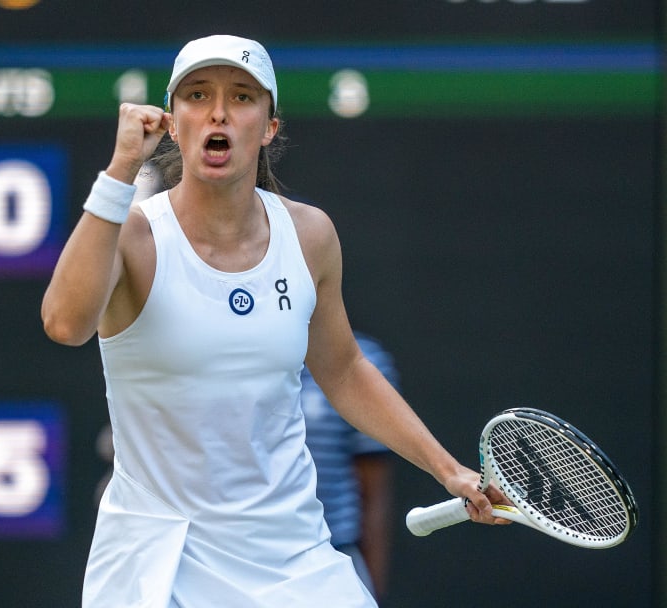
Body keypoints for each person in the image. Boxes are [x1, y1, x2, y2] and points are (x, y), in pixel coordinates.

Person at [41, 34, 508, 607]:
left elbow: (343, 369)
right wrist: (119, 170)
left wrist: (450, 470)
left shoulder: (310, 236)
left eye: (241, 97)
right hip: (158, 566)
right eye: (196, 95)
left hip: (293, 558)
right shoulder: (134, 235)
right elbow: (64, 322)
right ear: (172, 121)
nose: (218, 111)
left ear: (268, 127)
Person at [302, 333, 397, 602]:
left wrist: (371, 593)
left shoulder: (368, 361)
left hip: (334, 555)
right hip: (246, 557)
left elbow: (373, 492)